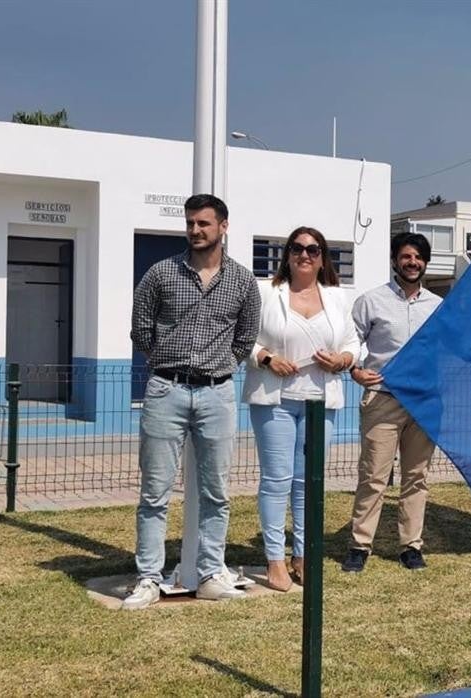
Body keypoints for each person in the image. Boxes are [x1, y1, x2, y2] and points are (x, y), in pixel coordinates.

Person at [123, 193, 261, 610]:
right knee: (154, 491)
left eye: (204, 223)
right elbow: (141, 329)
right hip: (166, 390)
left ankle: (210, 572)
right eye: (190, 223)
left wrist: (218, 366)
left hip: (218, 393)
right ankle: (148, 577)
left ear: (223, 226)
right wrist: (168, 364)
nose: (196, 230)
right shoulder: (161, 274)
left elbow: (245, 337)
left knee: (217, 491)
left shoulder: (241, 281)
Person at [245, 227, 359, 591]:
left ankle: (304, 554)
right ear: (287, 255)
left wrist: (343, 359)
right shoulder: (266, 293)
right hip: (275, 401)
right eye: (297, 248)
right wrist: (266, 359)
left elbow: (353, 343)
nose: (304, 254)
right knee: (276, 481)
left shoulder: (339, 298)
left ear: (323, 256)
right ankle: (275, 559)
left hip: (319, 402)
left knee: (308, 482)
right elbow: (244, 338)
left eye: (312, 249)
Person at [342, 233, 441, 572]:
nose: (412, 262)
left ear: (425, 262)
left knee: (417, 477)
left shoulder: (438, 306)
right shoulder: (371, 301)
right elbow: (349, 341)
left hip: (424, 402)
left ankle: (410, 546)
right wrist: (354, 370)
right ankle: (360, 545)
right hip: (383, 399)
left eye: (418, 257)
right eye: (406, 256)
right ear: (395, 260)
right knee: (373, 476)